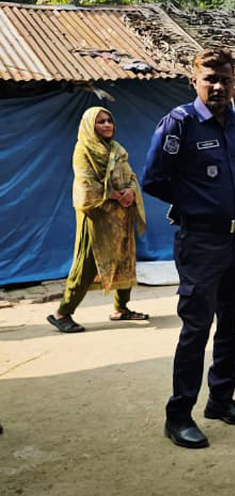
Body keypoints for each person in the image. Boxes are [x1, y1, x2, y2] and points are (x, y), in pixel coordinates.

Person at [143, 48, 235, 449]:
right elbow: (154, 178)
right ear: (195, 80)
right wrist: (195, 204)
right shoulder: (180, 124)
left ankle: (221, 400)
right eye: (210, 78)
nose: (218, 85)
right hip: (202, 241)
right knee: (196, 328)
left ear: (233, 81)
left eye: (225, 78)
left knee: (231, 324)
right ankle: (179, 415)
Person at [48, 107, 148, 333]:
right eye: (100, 122)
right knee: (86, 264)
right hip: (95, 217)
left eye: (109, 120)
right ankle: (61, 313)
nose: (107, 125)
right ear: (89, 126)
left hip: (120, 215)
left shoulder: (117, 149)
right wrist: (115, 195)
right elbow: (85, 185)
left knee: (124, 258)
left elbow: (130, 176)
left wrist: (131, 191)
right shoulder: (83, 149)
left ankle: (121, 308)